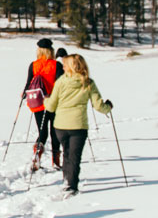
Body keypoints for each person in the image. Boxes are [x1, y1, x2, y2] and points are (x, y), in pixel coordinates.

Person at [45, 54, 112, 197]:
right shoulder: (88, 83)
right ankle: (72, 185)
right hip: (78, 126)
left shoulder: (61, 82)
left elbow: (51, 107)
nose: (62, 67)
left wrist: (45, 100)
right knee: (75, 156)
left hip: (61, 125)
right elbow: (98, 106)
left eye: (64, 65)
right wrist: (108, 107)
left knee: (67, 153)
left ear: (71, 67)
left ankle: (66, 179)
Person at [22, 38, 65, 171]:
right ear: (51, 51)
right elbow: (60, 84)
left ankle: (37, 154)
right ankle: (56, 161)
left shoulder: (33, 65)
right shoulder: (56, 65)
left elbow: (29, 83)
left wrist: (24, 94)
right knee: (55, 131)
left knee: (42, 131)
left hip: (38, 102)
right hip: (53, 102)